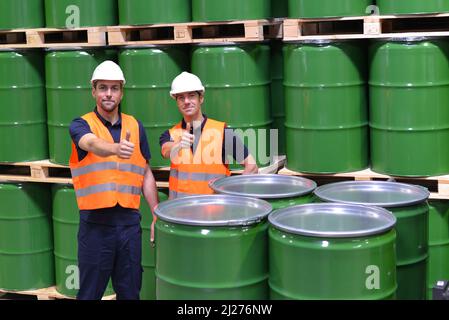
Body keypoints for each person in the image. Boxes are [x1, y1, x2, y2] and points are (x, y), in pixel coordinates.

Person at [69, 60, 159, 300]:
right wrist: (114, 148)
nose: (108, 94)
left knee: (130, 293)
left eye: (114, 88)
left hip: (129, 225)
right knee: (89, 294)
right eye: (103, 88)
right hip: (95, 226)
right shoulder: (81, 124)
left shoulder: (135, 126)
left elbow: (145, 171)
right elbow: (89, 143)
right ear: (93, 91)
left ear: (121, 92)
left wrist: (155, 212)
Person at [160, 72, 258, 199]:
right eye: (181, 98)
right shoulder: (170, 134)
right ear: (176, 102)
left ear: (201, 98)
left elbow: (252, 167)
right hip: (180, 213)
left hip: (214, 214)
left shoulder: (222, 132)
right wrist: (179, 145)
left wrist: (232, 190)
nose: (187, 101)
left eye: (191, 96)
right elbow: (167, 150)